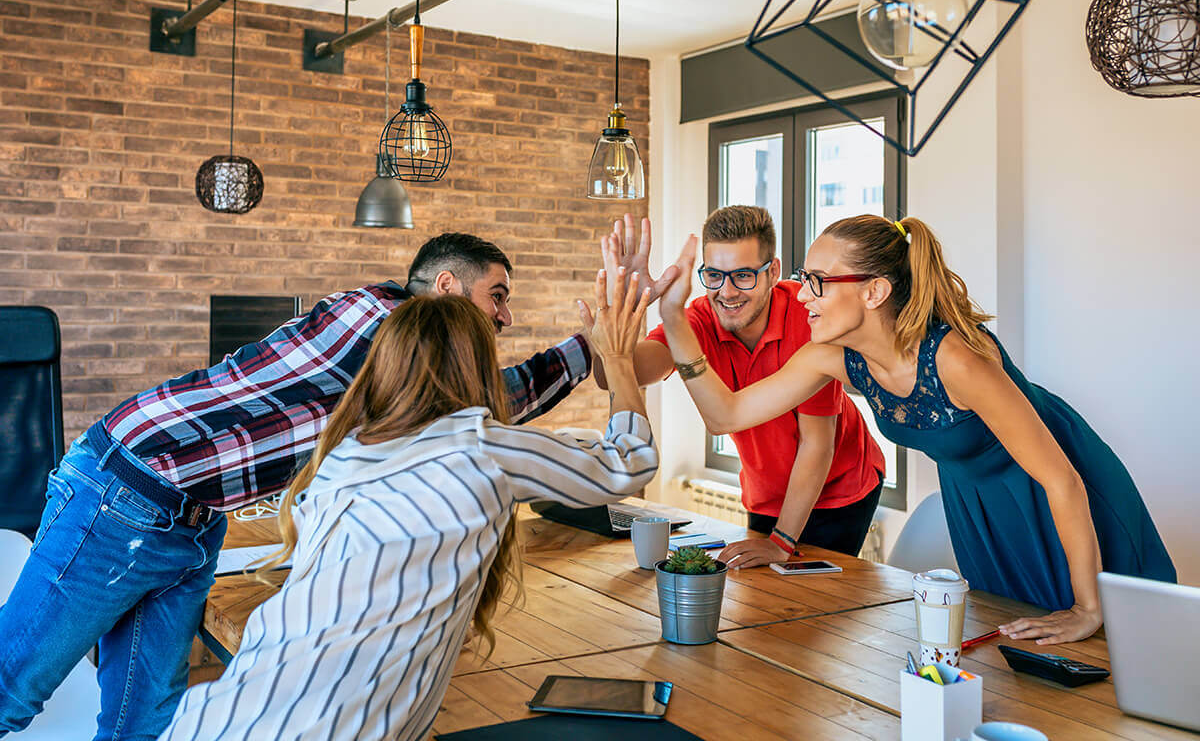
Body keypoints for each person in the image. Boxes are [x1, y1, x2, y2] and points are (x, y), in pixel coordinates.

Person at [0, 232, 598, 740]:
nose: (505, 317)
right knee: (13, 686)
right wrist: (594, 350)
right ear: (445, 286)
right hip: (125, 492)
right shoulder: (378, 320)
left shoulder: (385, 337)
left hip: (192, 518)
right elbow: (485, 403)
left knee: (145, 720)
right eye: (498, 296)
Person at [157, 269, 657, 741]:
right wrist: (614, 359)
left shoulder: (345, 454)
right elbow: (630, 461)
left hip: (218, 718)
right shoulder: (480, 447)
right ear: (476, 367)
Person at [655, 214, 1175, 645]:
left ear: (875, 291)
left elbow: (1062, 481)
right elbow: (726, 415)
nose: (802, 295)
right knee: (1024, 647)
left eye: (817, 281)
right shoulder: (834, 359)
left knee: (1113, 647)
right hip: (980, 507)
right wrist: (674, 317)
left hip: (1060, 494)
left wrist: (1088, 607)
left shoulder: (957, 361)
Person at [598, 209, 884, 566]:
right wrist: (622, 308)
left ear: (773, 273)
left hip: (840, 488)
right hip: (767, 492)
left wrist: (782, 541)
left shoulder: (808, 317)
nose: (727, 291)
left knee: (816, 609)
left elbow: (818, 444)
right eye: (715, 276)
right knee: (762, 597)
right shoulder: (699, 320)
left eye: (744, 276)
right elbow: (616, 372)